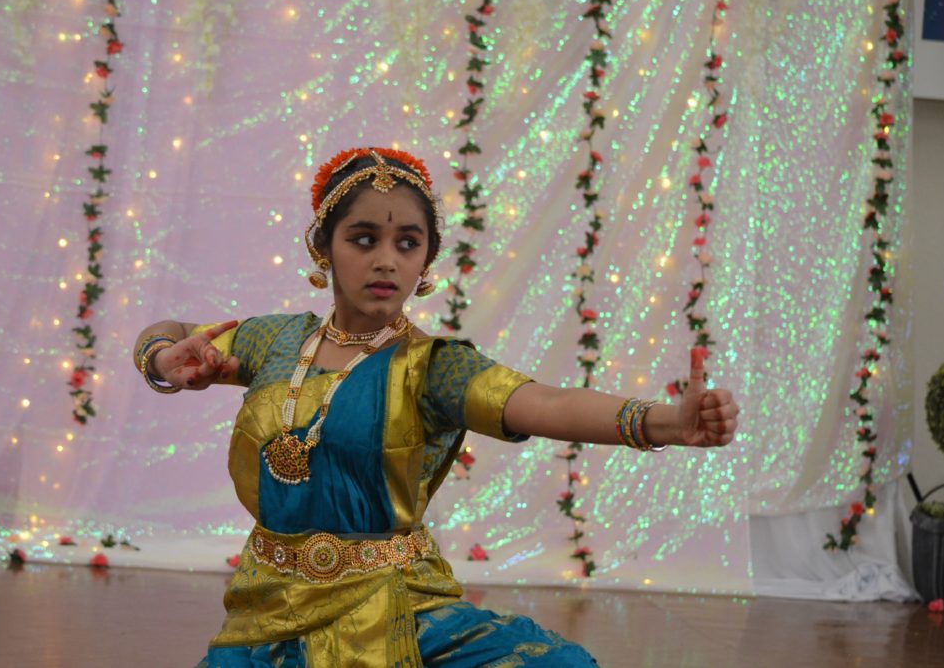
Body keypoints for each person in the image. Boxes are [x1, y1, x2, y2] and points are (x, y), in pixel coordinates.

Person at [133, 147, 739, 667]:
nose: (387, 260)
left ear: (425, 262)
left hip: (396, 604)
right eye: (364, 239)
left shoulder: (432, 368)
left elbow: (545, 402)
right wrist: (165, 360)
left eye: (408, 243)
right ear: (324, 248)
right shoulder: (277, 342)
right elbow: (172, 332)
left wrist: (666, 422)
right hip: (269, 608)